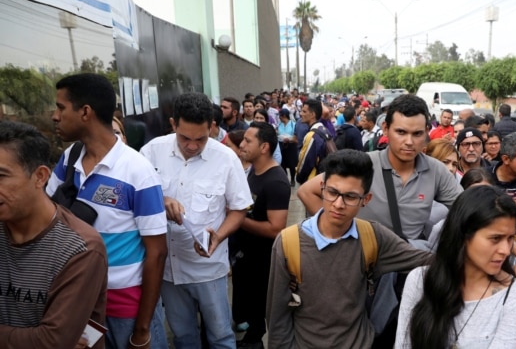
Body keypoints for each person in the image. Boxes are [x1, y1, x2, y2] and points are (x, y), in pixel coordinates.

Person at [47, 73, 168, 349]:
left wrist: (142, 328)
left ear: (86, 112)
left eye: (61, 107)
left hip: (126, 307)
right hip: (81, 301)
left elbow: (157, 252)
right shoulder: (69, 158)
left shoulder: (138, 171)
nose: (55, 116)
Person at [267, 149, 432, 348]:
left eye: (350, 197)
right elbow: (277, 316)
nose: (338, 204)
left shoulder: (373, 237)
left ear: (366, 199)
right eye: (333, 192)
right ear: (322, 188)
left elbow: (426, 260)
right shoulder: (288, 242)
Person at [140, 92, 253, 348]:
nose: (192, 145)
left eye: (200, 139)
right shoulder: (151, 153)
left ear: (212, 127)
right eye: (184, 138)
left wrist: (219, 235)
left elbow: (239, 209)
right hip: (169, 269)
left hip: (208, 269)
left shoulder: (226, 159)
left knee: (221, 337)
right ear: (173, 124)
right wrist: (161, 199)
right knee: (183, 337)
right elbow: (133, 199)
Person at [0, 121, 108, 348]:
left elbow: (52, 342)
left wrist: (49, 339)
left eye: (1, 176)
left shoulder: (80, 248)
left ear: (40, 177)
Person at [298, 94, 463, 241]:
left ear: (427, 132)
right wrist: (341, 234)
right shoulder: (363, 165)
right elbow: (306, 191)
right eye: (401, 132)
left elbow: (468, 209)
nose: (409, 142)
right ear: (385, 129)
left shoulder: (436, 170)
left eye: (417, 134)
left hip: (408, 265)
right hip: (366, 266)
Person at [396, 185, 516, 348]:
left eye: (510, 238)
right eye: (495, 238)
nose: (506, 250)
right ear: (463, 235)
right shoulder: (419, 280)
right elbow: (403, 344)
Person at [233, 122, 291, 348]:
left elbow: (275, 228)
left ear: (264, 147)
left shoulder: (275, 181)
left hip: (263, 261)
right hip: (246, 256)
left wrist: (238, 219)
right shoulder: (254, 171)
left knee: (262, 306)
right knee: (252, 309)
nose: (242, 144)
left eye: (248, 140)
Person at [296, 98, 329, 184]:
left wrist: (299, 177)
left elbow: (305, 162)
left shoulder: (312, 135)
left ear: (312, 114)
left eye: (304, 111)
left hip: (313, 180)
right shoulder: (323, 129)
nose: (301, 114)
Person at [277, 108, 298, 187]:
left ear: (284, 116)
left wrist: (290, 139)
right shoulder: (279, 124)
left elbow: (296, 136)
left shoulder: (293, 124)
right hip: (282, 145)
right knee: (283, 164)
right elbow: (279, 134)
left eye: (280, 116)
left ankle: (292, 179)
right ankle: (285, 178)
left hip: (291, 146)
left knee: (292, 165)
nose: (279, 117)